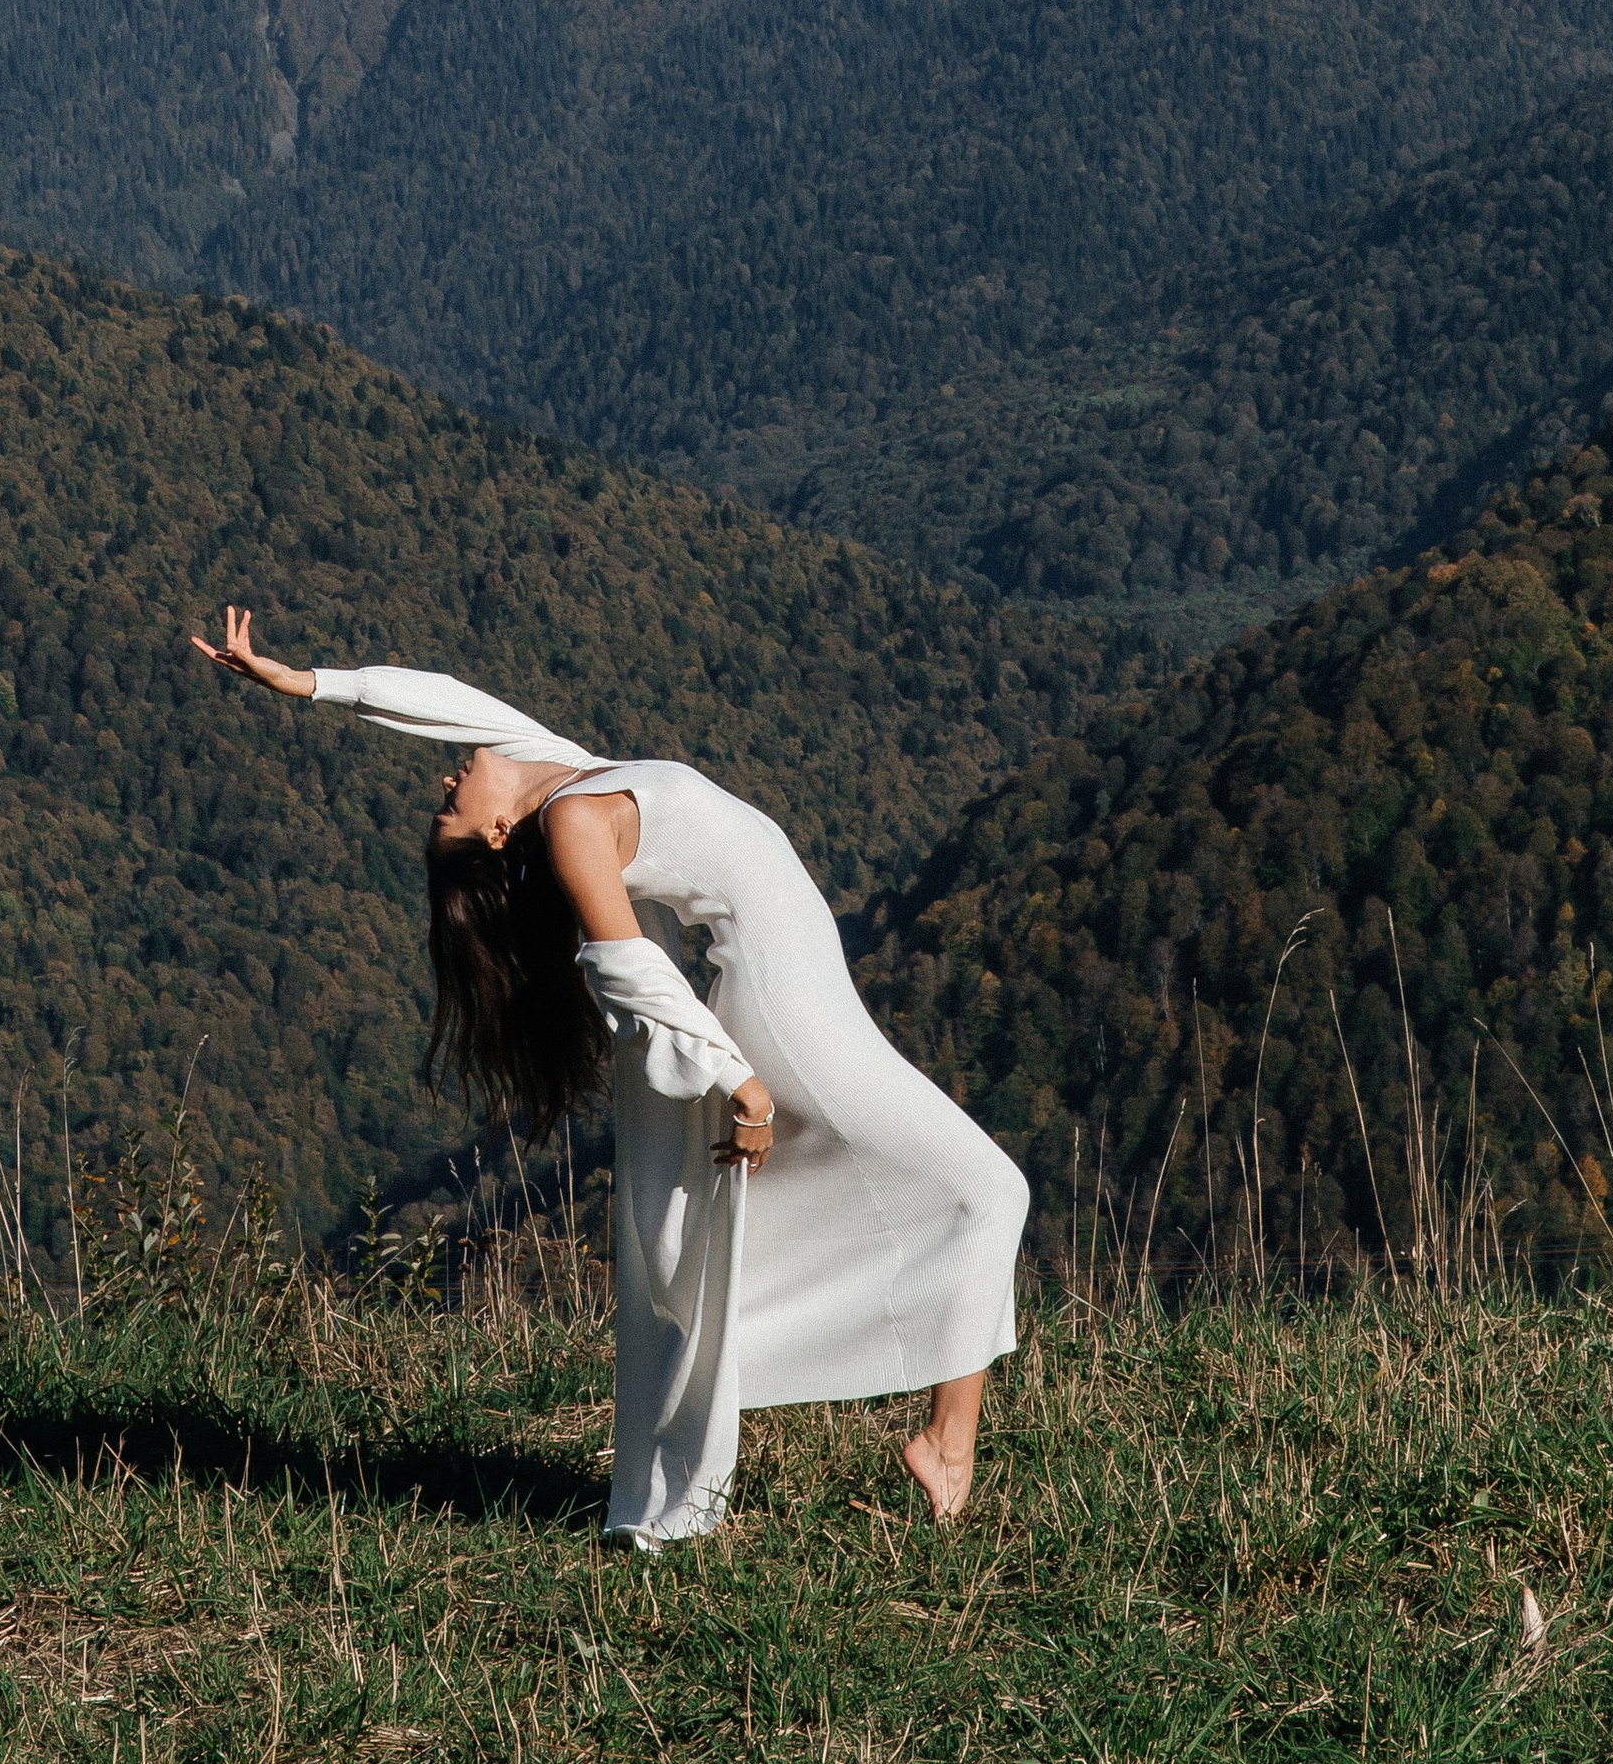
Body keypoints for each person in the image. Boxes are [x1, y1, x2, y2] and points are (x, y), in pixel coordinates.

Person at [193, 610, 1028, 1545]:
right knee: (991, 1187)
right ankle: (943, 1446)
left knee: (969, 1193)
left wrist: (312, 683)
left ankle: (884, 1413)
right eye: (449, 810)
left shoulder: (559, 768)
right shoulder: (570, 824)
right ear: (501, 830)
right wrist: (739, 1081)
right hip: (785, 1004)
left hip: (804, 983)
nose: (446, 779)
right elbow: (624, 963)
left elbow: (453, 703)